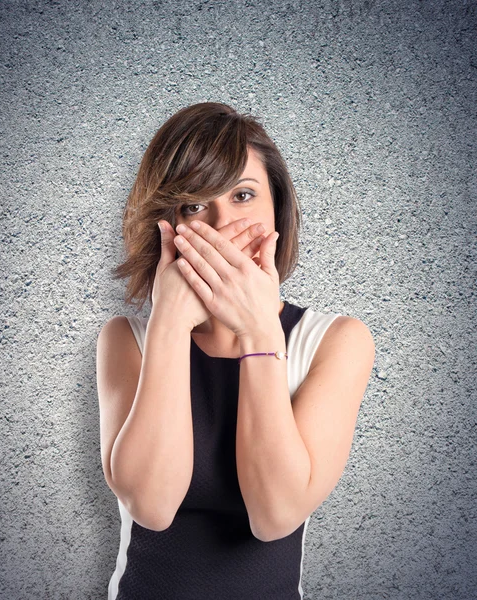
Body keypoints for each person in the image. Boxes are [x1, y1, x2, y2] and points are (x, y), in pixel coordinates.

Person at [96, 102, 375, 600]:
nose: (223, 226)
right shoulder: (126, 340)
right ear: (170, 224)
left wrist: (259, 333)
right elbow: (152, 507)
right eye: (196, 206)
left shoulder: (335, 341)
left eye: (243, 195)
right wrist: (167, 324)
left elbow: (276, 515)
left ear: (277, 211)